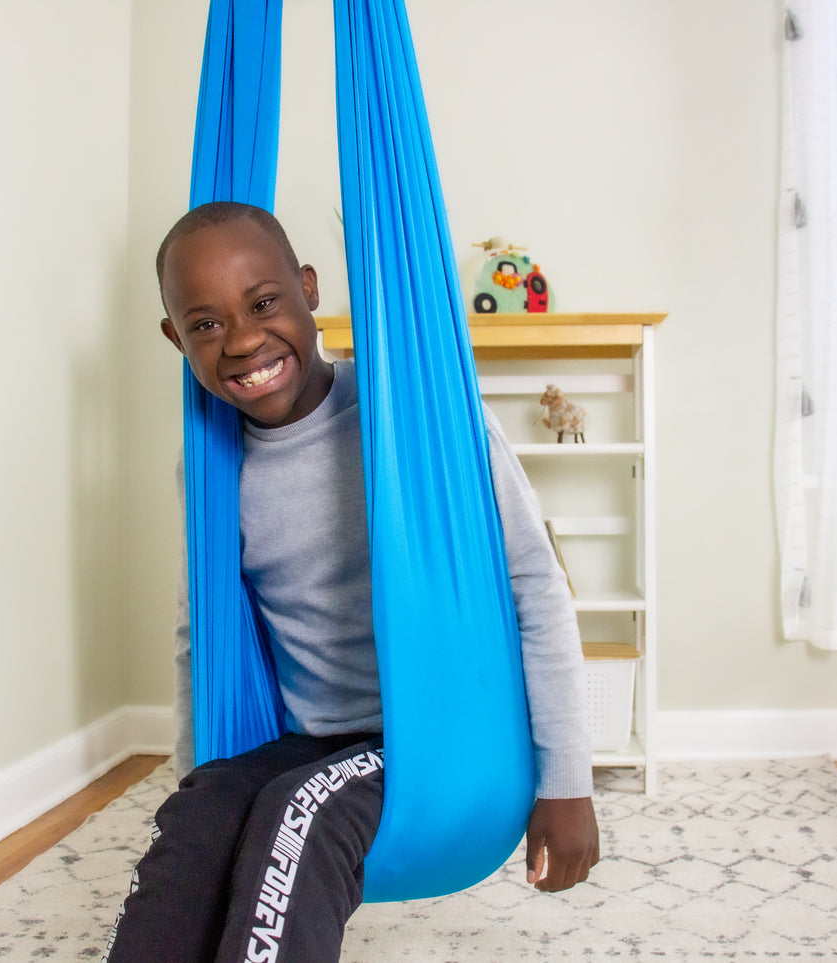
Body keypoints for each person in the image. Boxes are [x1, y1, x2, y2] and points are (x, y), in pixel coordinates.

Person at [104, 201, 598, 963]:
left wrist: (567, 782)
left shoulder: (419, 416)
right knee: (197, 821)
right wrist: (199, 775)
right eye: (204, 325)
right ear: (175, 338)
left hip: (437, 738)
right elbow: (199, 634)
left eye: (264, 303)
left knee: (294, 814)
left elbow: (534, 585)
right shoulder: (209, 467)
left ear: (307, 290)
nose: (240, 340)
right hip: (307, 736)